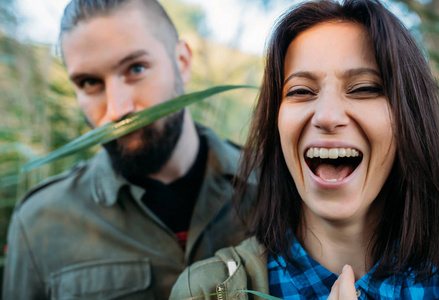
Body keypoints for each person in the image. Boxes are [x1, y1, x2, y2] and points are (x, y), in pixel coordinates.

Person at [170, 0, 439, 299]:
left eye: (364, 88)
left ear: (410, 118)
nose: (327, 116)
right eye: (300, 91)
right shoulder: (207, 291)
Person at [2, 0, 255, 299]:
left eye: (136, 68)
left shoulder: (277, 185)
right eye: (89, 82)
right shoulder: (39, 223)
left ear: (182, 62)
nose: (117, 109)